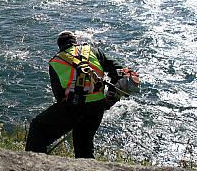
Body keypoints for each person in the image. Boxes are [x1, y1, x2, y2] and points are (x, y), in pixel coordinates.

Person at [25, 30, 133, 158]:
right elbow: (119, 71)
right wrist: (109, 98)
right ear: (75, 43)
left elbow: (60, 97)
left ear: (59, 46)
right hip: (97, 107)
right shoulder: (93, 51)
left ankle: (35, 163)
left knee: (38, 128)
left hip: (73, 107)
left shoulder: (55, 62)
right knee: (83, 149)